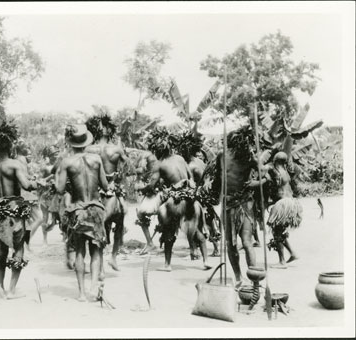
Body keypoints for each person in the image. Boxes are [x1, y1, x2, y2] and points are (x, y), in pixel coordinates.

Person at [136, 127, 211, 271]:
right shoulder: (180, 158)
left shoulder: (159, 164)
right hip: (190, 196)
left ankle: (167, 265)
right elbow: (190, 178)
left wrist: (142, 188)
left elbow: (152, 186)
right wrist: (189, 191)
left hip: (175, 201)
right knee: (198, 230)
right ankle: (206, 260)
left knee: (168, 232)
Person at [0, 121, 39, 299]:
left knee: (2, 250)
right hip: (14, 210)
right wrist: (37, 183)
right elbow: (26, 185)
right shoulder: (15, 165)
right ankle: (12, 290)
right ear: (10, 145)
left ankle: (0, 289)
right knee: (18, 249)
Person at [55, 124, 109, 302]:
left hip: (78, 210)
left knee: (79, 252)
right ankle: (94, 287)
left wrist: (57, 177)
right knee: (96, 251)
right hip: (95, 208)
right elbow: (105, 186)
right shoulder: (96, 159)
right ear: (86, 141)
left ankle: (81, 294)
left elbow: (60, 189)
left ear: (71, 142)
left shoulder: (66, 162)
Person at [212, 125, 262, 287]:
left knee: (245, 242)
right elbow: (218, 179)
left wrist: (257, 183)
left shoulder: (248, 157)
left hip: (244, 203)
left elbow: (266, 174)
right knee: (232, 244)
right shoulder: (222, 156)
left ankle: (252, 279)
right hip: (228, 203)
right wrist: (213, 194)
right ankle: (240, 278)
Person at [86, 113, 128, 271]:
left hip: (93, 189)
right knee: (121, 220)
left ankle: (98, 260)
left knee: (94, 224)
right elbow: (127, 168)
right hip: (111, 188)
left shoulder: (89, 149)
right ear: (110, 131)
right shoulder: (116, 149)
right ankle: (114, 257)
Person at [266, 151, 302, 268]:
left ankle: (282, 262)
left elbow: (274, 187)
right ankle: (293, 253)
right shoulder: (286, 172)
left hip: (283, 204)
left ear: (275, 161)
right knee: (280, 231)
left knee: (277, 232)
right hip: (291, 203)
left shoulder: (275, 171)